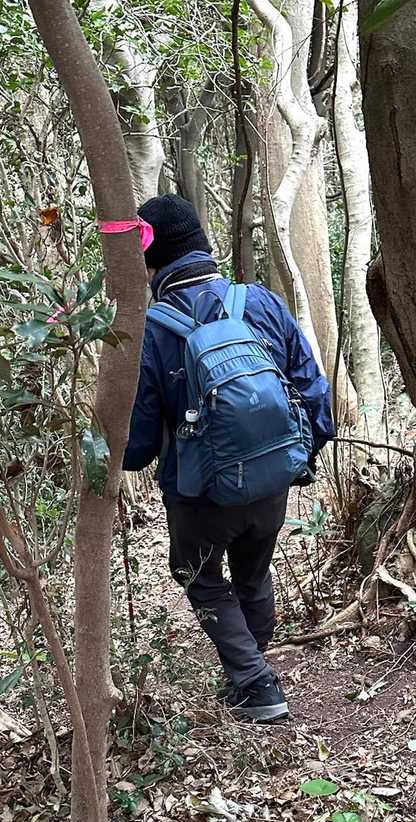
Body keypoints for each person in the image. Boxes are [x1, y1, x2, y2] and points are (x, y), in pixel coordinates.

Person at [124, 195, 334, 723]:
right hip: (273, 479)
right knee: (252, 572)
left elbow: (138, 446)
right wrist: (295, 459)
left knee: (196, 574)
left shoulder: (153, 329)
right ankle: (253, 666)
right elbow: (315, 393)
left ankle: (256, 682)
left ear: (152, 260)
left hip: (201, 493)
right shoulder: (260, 302)